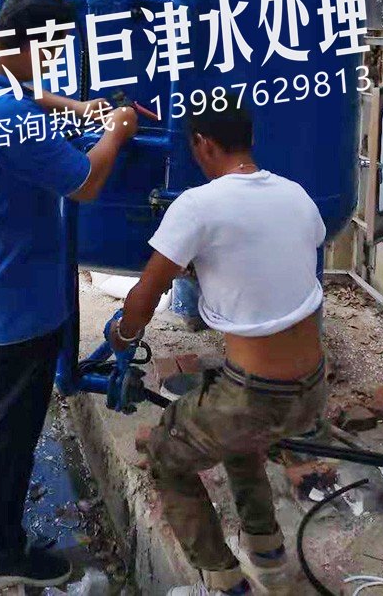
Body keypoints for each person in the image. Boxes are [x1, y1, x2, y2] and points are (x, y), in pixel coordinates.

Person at [0, 0, 138, 591]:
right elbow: (85, 182)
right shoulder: (8, 120)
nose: (56, 60)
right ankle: (0, 557)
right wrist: (117, 129)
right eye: (55, 49)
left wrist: (77, 108)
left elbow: (18, 93)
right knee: (8, 430)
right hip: (17, 299)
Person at [109, 96, 327, 596]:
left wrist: (123, 336)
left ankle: (223, 580)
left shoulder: (197, 205)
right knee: (237, 438)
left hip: (255, 397)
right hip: (312, 389)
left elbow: (144, 296)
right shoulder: (296, 194)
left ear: (203, 144)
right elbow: (275, 258)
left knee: (166, 452)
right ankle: (267, 553)